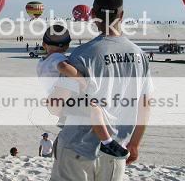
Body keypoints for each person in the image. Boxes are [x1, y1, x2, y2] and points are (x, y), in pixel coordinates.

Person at [49, 0, 153, 181]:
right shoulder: (140, 55)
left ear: (93, 15)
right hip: (116, 150)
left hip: (77, 147)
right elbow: (145, 105)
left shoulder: (83, 54)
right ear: (121, 15)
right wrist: (135, 143)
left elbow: (56, 106)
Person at [37, 24, 123, 154]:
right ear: (67, 46)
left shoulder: (41, 63)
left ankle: (64, 120)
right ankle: (107, 142)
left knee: (80, 112)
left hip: (55, 96)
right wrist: (81, 79)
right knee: (96, 110)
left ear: (44, 45)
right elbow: (64, 68)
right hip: (67, 96)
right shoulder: (57, 57)